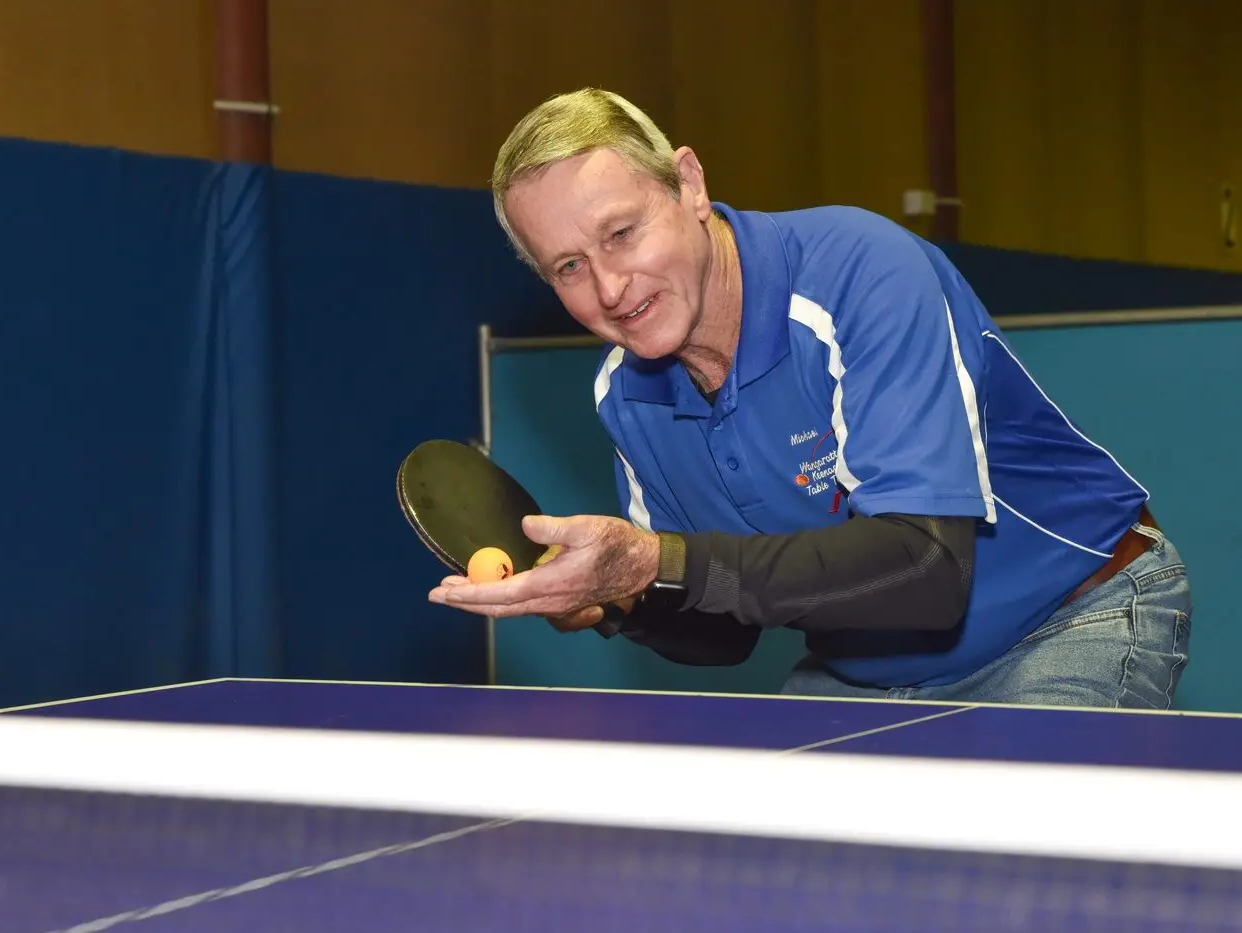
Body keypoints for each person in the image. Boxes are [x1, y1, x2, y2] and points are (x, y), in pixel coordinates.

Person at [428, 88, 1192, 708]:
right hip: (865, 671)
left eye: (623, 232)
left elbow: (924, 568)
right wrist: (612, 596)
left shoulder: (862, 271)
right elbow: (722, 635)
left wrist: (651, 561)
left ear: (688, 183)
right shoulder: (628, 392)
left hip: (1067, 615)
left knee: (1020, 879)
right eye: (567, 266)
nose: (609, 288)